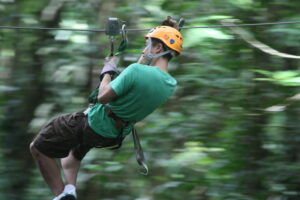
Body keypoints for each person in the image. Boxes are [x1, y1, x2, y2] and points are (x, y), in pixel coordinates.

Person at [29, 18, 183, 200]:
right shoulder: (170, 84)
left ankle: (60, 196)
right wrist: (168, 33)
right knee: (72, 155)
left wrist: (108, 70)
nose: (144, 49)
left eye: (147, 44)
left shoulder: (136, 71)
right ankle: (70, 190)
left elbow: (103, 96)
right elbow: (142, 76)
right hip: (112, 135)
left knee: (38, 147)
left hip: (95, 123)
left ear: (158, 49)